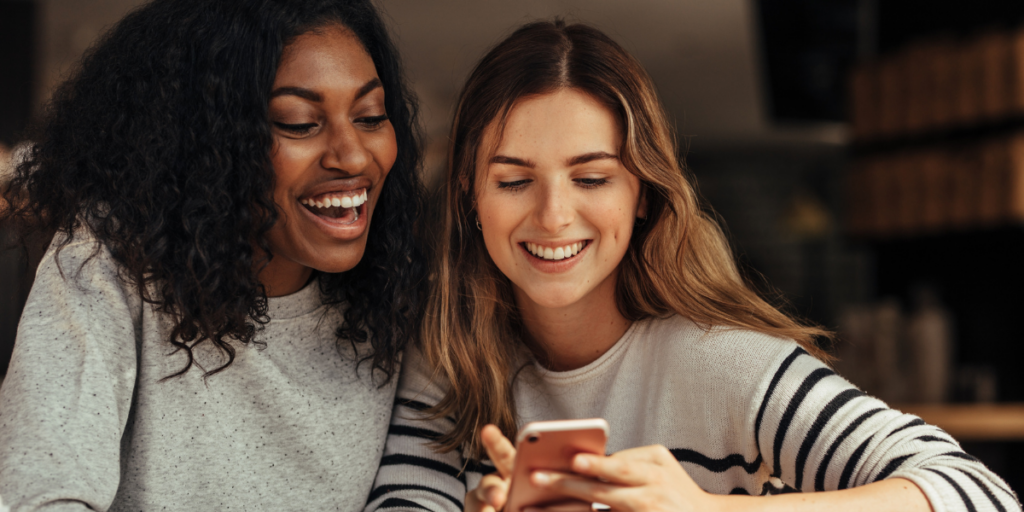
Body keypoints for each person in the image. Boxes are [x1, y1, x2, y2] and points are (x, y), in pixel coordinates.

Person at [365, 20, 1019, 512]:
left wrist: (709, 511)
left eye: (591, 178)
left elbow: (977, 494)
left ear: (642, 194)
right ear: (468, 199)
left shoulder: (722, 365)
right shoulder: (446, 361)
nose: (554, 215)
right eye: (513, 182)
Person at [0, 0, 424, 510]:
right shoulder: (110, 262)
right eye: (298, 123)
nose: (353, 154)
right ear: (208, 145)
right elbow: (42, 491)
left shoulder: (399, 287)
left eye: (370, 116)